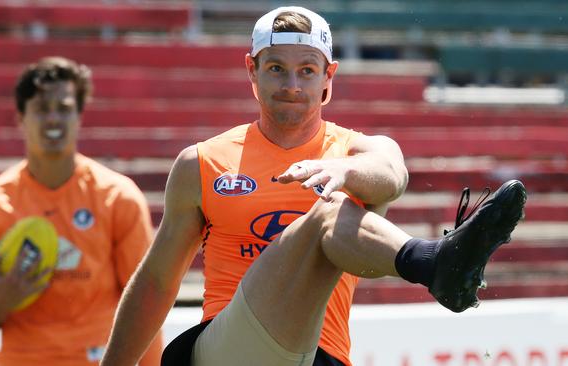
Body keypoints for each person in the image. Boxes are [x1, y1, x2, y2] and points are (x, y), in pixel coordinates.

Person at [101, 6, 527, 366]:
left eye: (307, 71)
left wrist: (342, 171)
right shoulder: (204, 162)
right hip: (230, 348)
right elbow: (157, 280)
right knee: (327, 213)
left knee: (332, 209)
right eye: (276, 69)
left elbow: (393, 174)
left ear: (329, 75)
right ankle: (434, 263)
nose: (292, 85)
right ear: (251, 69)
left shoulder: (357, 149)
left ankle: (436, 265)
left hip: (320, 356)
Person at [0, 56, 163, 365]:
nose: (53, 119)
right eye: (42, 109)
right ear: (20, 117)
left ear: (79, 116)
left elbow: (144, 307)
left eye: (64, 108)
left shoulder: (118, 197)